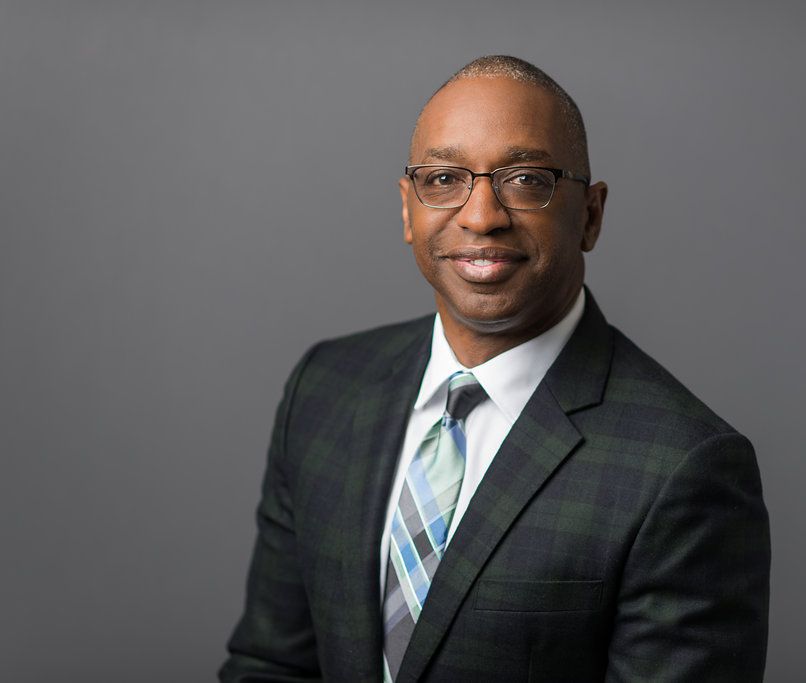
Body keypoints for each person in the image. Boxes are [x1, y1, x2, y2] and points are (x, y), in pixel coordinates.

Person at [219, 55, 770, 683]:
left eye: (526, 179)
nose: (481, 216)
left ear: (590, 215)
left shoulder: (684, 466)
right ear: (408, 208)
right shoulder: (325, 389)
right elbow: (270, 665)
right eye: (445, 178)